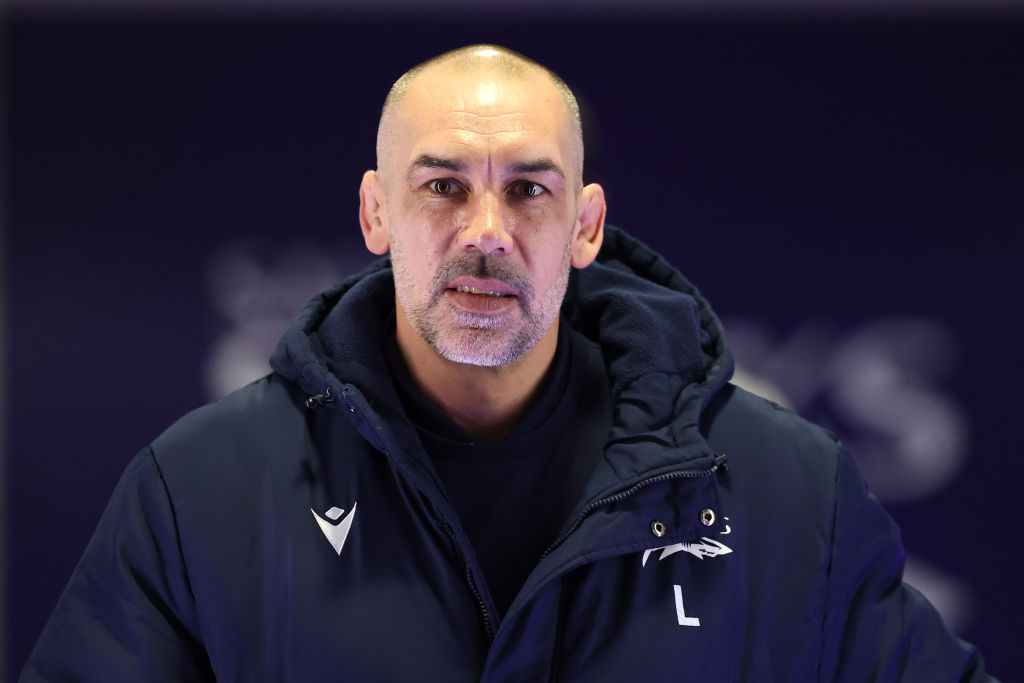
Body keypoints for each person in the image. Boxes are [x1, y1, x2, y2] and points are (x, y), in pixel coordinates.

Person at [23, 45, 996, 682]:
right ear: (375, 213)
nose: (485, 231)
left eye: (528, 189)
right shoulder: (200, 491)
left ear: (586, 225)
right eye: (443, 186)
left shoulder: (788, 492)